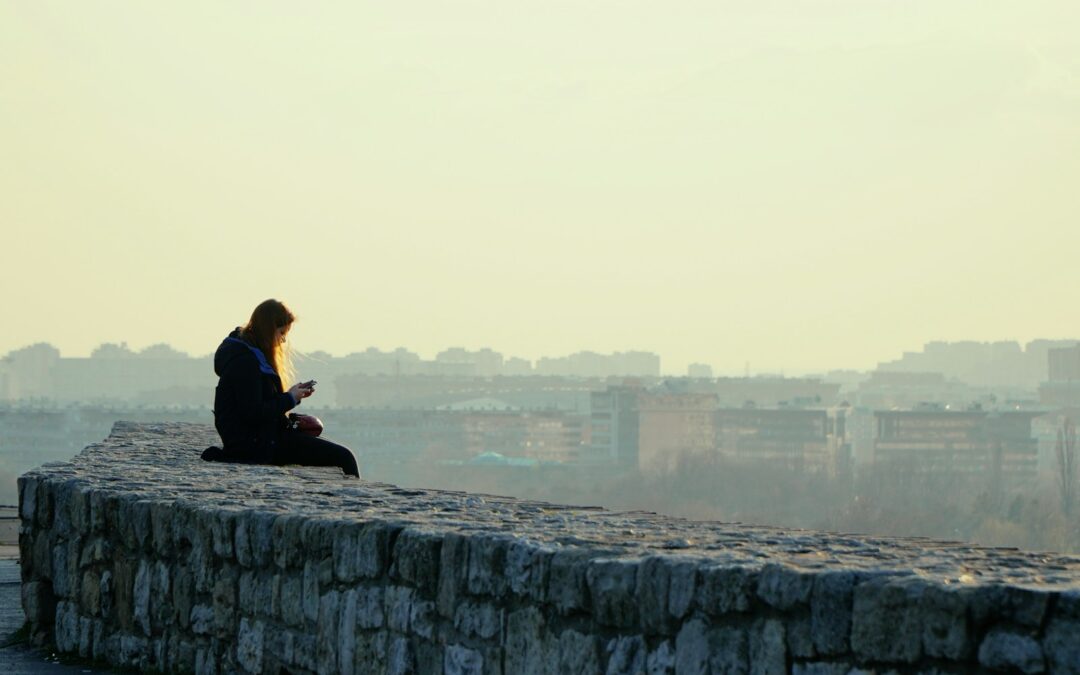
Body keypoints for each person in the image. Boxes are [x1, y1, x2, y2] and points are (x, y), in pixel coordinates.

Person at [202, 299, 360, 477]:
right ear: (268, 330)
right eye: (281, 333)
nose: (283, 340)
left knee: (338, 454)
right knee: (345, 457)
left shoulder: (247, 355)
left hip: (259, 439)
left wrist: (293, 395)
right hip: (257, 444)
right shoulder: (246, 362)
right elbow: (253, 413)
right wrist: (290, 398)